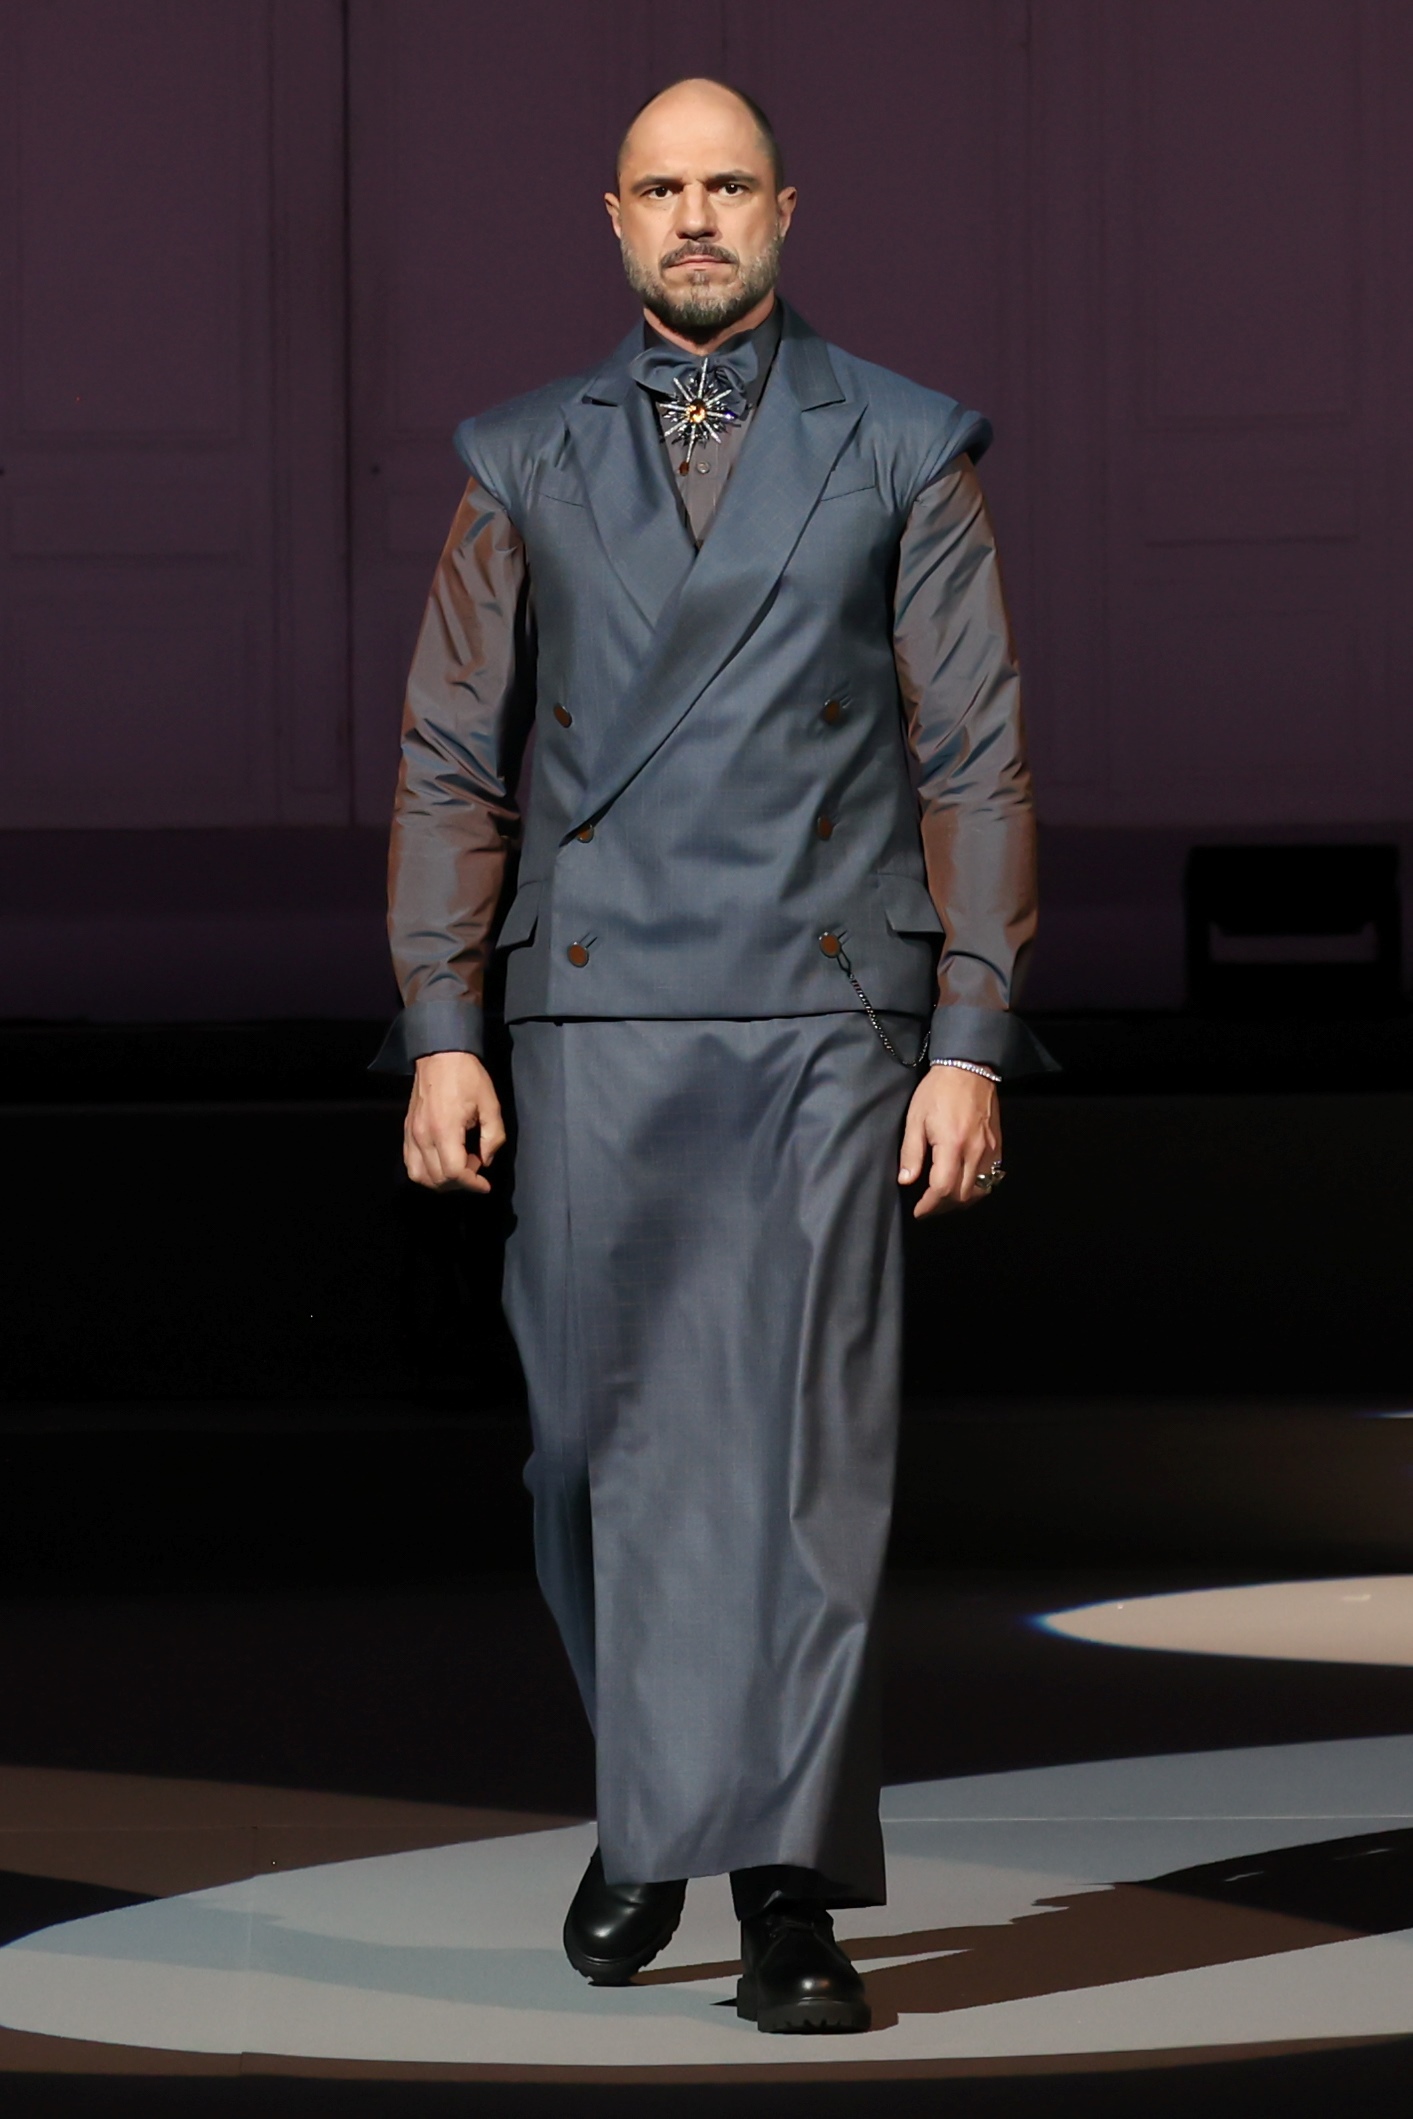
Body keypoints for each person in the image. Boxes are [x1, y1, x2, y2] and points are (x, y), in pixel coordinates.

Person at [374, 76, 1048, 2035]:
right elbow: (449, 757)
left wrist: (969, 1038)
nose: (693, 216)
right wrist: (439, 1024)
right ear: (611, 216)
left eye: (726, 186)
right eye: (659, 188)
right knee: (588, 1455)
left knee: (800, 1468)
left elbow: (973, 754)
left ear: (782, 209)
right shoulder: (516, 454)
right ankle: (652, 1798)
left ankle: (780, 1892)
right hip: (592, 1010)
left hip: (826, 1010)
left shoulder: (903, 441)